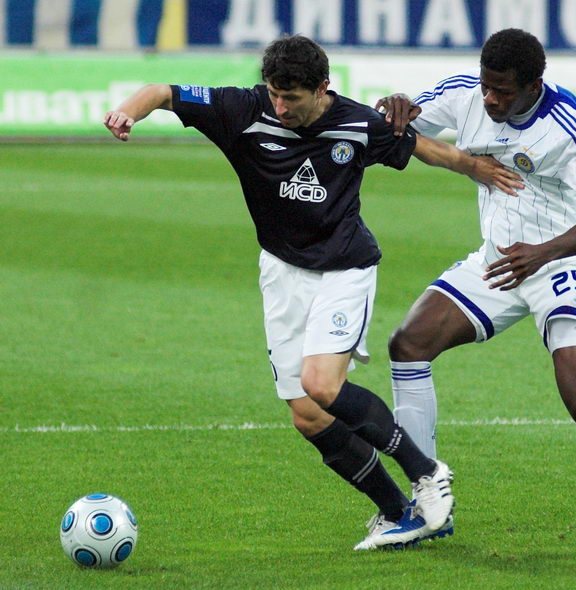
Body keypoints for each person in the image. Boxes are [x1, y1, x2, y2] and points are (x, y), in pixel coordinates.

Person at [103, 35, 522, 551]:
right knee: (307, 413)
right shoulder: (242, 110)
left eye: (292, 98)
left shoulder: (357, 123)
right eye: (275, 95)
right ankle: (397, 514)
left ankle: (426, 471)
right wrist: (128, 112)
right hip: (282, 272)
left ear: (322, 88)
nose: (280, 107)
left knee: (322, 384)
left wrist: (476, 167)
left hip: (344, 270)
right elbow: (163, 91)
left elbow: (425, 149)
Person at [376, 28, 576, 551]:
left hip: (562, 262)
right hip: (496, 261)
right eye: (486, 86)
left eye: (503, 91)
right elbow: (403, 127)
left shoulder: (570, 126)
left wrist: (542, 253)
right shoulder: (466, 93)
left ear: (534, 85)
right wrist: (396, 107)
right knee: (408, 345)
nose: (490, 99)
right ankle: (426, 502)